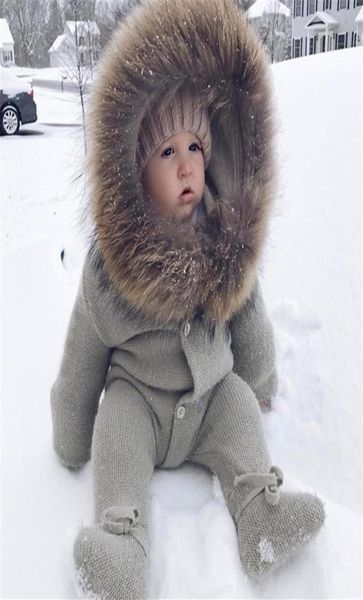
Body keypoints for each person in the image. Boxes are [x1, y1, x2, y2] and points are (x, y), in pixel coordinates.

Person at [50, 0, 325, 597]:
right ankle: (121, 543)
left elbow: (247, 314)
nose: (186, 169)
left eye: (195, 149)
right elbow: (82, 353)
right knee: (114, 431)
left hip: (208, 401)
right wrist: (72, 429)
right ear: (132, 168)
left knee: (239, 410)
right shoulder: (111, 266)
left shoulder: (225, 236)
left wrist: (258, 380)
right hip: (140, 403)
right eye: (166, 153)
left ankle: (259, 512)